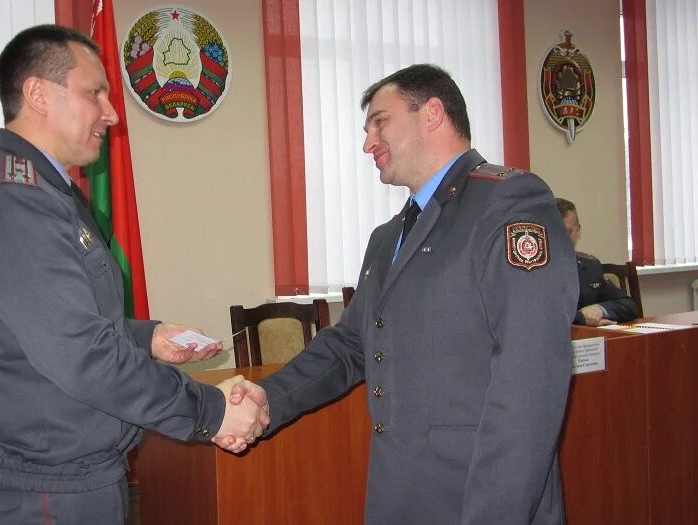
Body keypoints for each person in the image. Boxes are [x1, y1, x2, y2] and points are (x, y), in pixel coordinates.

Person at [225, 64, 579, 523]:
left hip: (480, 495)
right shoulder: (388, 236)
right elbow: (352, 344)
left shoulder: (506, 202)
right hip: (401, 494)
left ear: (432, 113)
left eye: (380, 122)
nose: (368, 142)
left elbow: (530, 378)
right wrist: (267, 398)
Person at [0, 25, 266, 524]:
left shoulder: (48, 194)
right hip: (46, 492)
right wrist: (210, 410)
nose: (111, 113)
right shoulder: (14, 201)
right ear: (37, 95)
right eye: (95, 92)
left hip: (80, 474)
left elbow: (68, 323)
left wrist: (148, 337)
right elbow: (81, 354)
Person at [556, 197, 640, 326]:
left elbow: (628, 305)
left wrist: (599, 309)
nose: (562, 239)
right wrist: (581, 318)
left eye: (568, 232)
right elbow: (534, 318)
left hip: (589, 342)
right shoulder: (531, 270)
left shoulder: (590, 267)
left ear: (578, 230)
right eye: (556, 232)